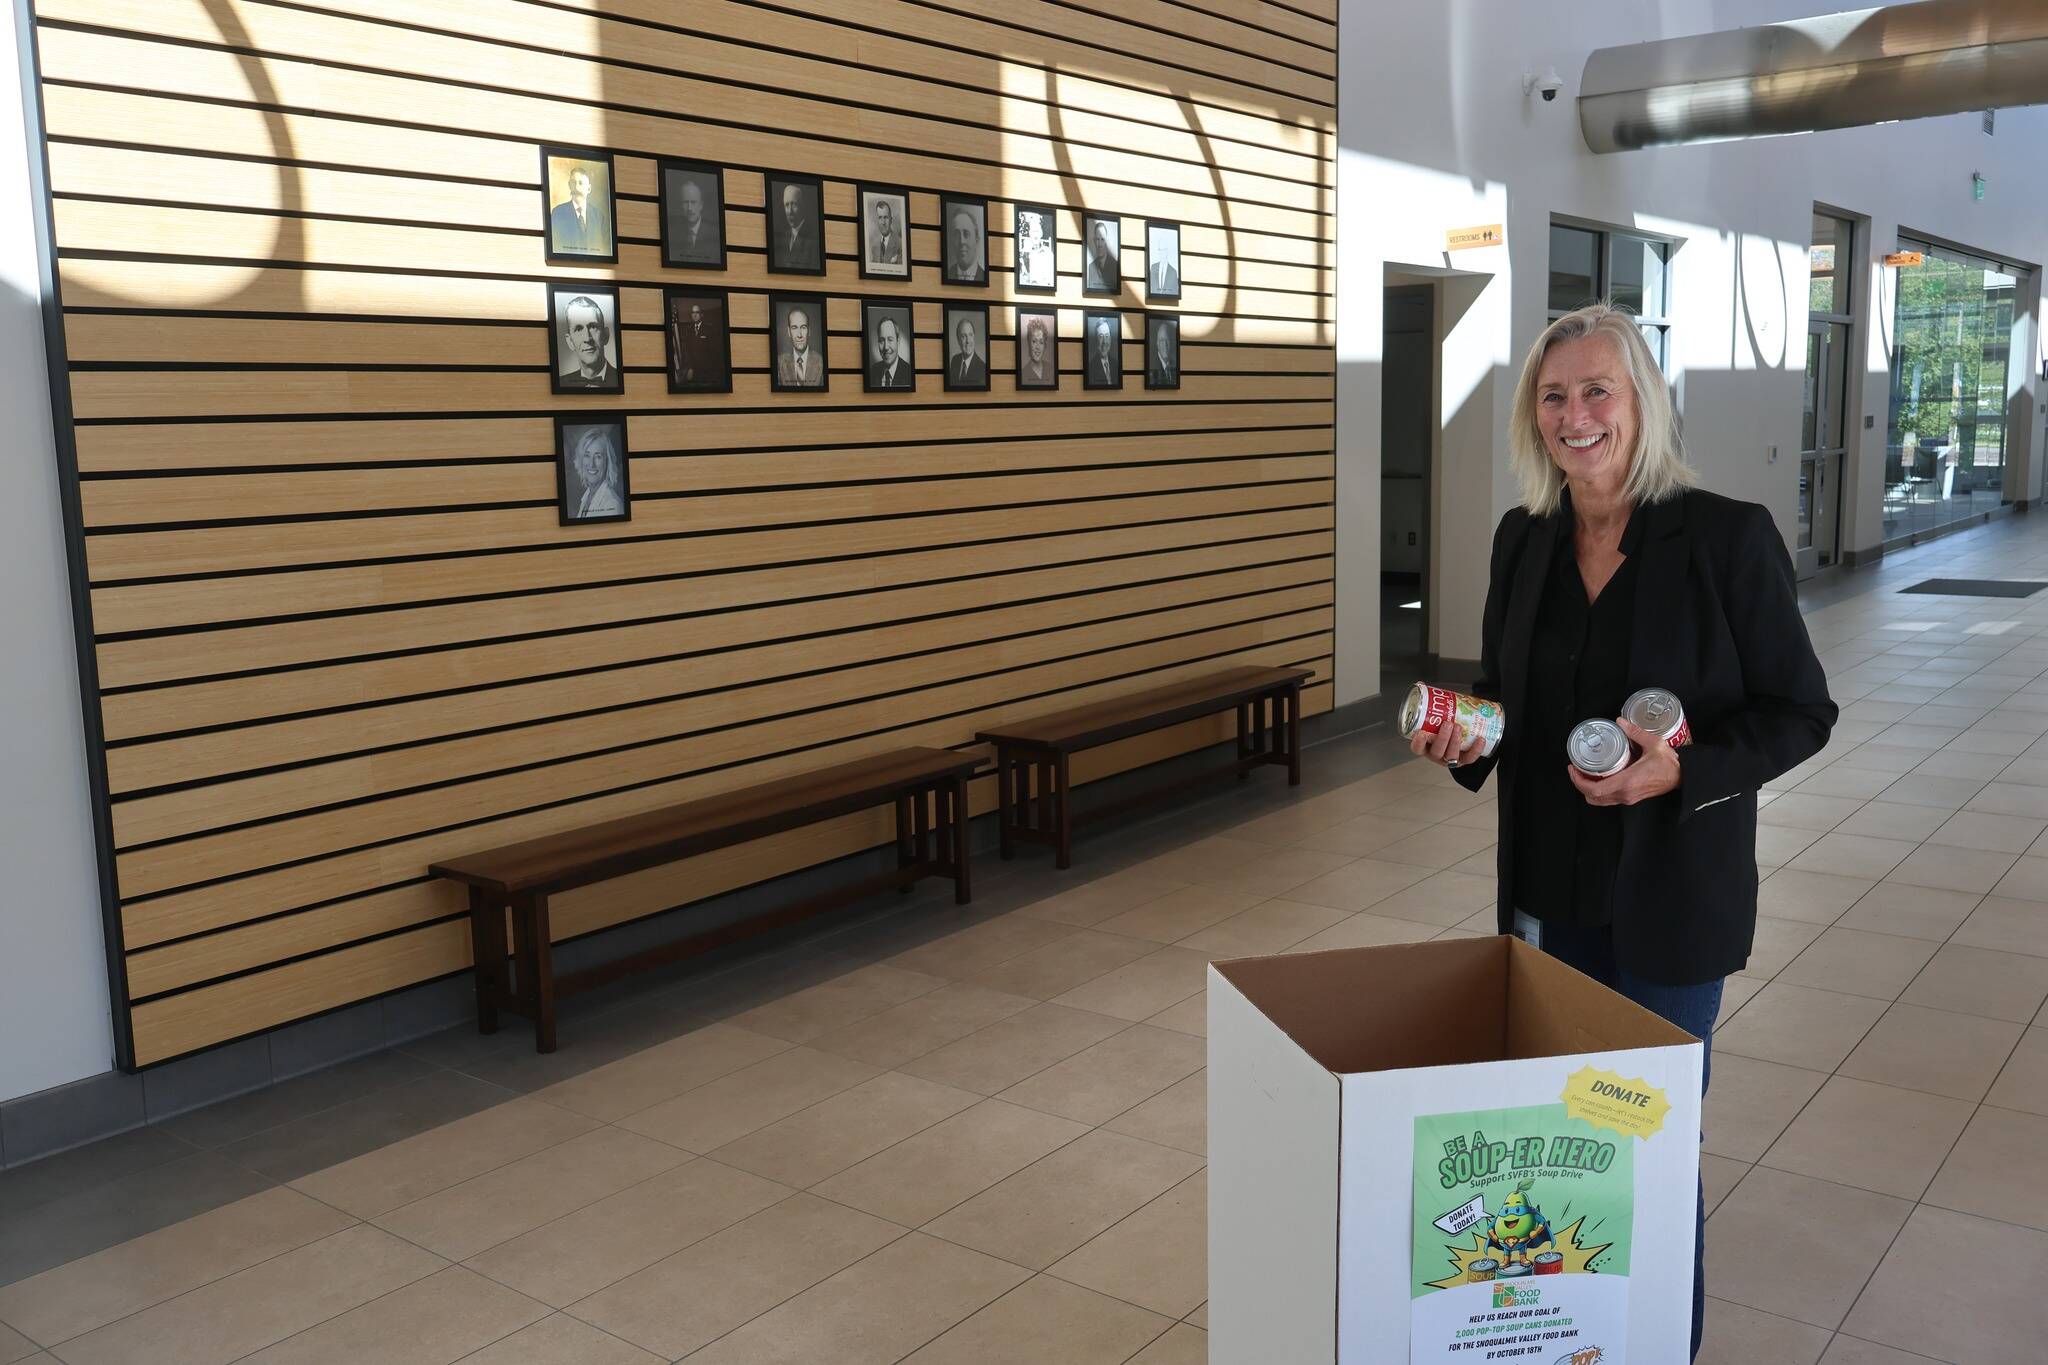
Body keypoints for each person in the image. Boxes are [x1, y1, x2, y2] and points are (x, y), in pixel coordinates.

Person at [1409, 302, 1836, 1362]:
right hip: (1545, 903)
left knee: (1641, 1142)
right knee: (1551, 1142)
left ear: (1640, 401)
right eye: (1553, 396)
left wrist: (1681, 772)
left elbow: (1798, 713)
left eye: (1597, 390)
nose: (1574, 414)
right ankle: (1564, 1337)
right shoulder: (1525, 538)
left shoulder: (1722, 537)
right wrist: (1470, 738)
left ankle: (1656, 1345)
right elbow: (1506, 698)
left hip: (1666, 907)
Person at [556, 295, 617, 389]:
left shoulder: (621, 379)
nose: (587, 338)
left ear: (605, 335)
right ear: (570, 341)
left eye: (593, 327)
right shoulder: (562, 383)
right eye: (579, 329)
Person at [549, 164, 610, 255]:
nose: (576, 187)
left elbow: (605, 249)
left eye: (580, 183)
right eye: (573, 183)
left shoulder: (599, 216)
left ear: (589, 189)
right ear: (569, 185)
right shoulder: (557, 213)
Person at [567, 426, 624, 519]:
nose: (591, 464)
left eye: (598, 456)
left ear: (607, 462)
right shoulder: (587, 497)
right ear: (581, 459)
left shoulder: (612, 505)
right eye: (587, 455)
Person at [672, 299, 724, 388]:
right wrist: (690, 368)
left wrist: (713, 373)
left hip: (708, 372)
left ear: (701, 314)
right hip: (694, 372)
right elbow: (688, 351)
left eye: (697, 312)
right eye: (693, 312)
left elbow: (715, 352)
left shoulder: (709, 329)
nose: (695, 314)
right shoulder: (689, 330)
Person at [670, 176, 717, 262]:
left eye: (693, 202)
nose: (689, 208)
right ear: (681, 205)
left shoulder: (715, 235)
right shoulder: (673, 234)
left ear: (701, 205)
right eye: (685, 202)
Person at [777, 305, 824, 386]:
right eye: (794, 328)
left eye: (803, 327)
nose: (799, 335)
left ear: (809, 331)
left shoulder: (821, 362)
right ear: (789, 332)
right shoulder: (779, 363)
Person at [778, 182, 818, 268]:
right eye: (786, 205)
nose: (790, 211)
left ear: (802, 206)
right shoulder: (783, 237)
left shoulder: (814, 239)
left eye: (794, 204)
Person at [869, 315, 911, 389]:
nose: (886, 347)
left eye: (890, 339)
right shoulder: (872, 371)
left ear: (898, 341)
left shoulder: (909, 372)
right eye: (881, 340)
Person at [948, 314, 986, 386]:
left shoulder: (982, 368)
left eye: (970, 335)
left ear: (974, 337)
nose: (968, 341)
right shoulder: (954, 360)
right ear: (958, 340)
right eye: (963, 336)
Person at [1018, 211, 1053, 287]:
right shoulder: (1025, 253)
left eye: (1037, 232)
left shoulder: (1047, 252)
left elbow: (1051, 275)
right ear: (1030, 235)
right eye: (1033, 232)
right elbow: (1023, 276)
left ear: (1041, 234)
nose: (1035, 235)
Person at [947, 207, 983, 280]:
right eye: (957, 235)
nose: (962, 241)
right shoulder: (947, 274)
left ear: (977, 240)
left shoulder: (984, 277)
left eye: (966, 234)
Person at [1019, 315, 1054, 386]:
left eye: (1041, 342)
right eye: (1034, 341)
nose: (1037, 347)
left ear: (1045, 346)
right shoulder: (1023, 374)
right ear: (1029, 343)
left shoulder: (1052, 370)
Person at [870, 199, 903, 267]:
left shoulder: (900, 244)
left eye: (886, 217)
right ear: (877, 221)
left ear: (891, 220)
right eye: (880, 218)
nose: (883, 222)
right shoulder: (874, 246)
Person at [1087, 219, 1118, 291]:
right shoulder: (1091, 267)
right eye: (1097, 239)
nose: (1100, 244)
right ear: (1094, 241)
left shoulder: (1115, 265)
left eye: (1102, 239)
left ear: (1106, 241)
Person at [1089, 317, 1119, 386]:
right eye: (1100, 336)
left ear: (1110, 339)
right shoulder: (1090, 367)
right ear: (1096, 340)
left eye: (1107, 336)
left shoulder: (1116, 364)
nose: (1104, 342)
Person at [1147, 321, 1177, 387]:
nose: (1165, 344)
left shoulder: (1175, 364)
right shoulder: (1151, 367)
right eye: (1162, 340)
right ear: (1157, 343)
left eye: (1167, 339)